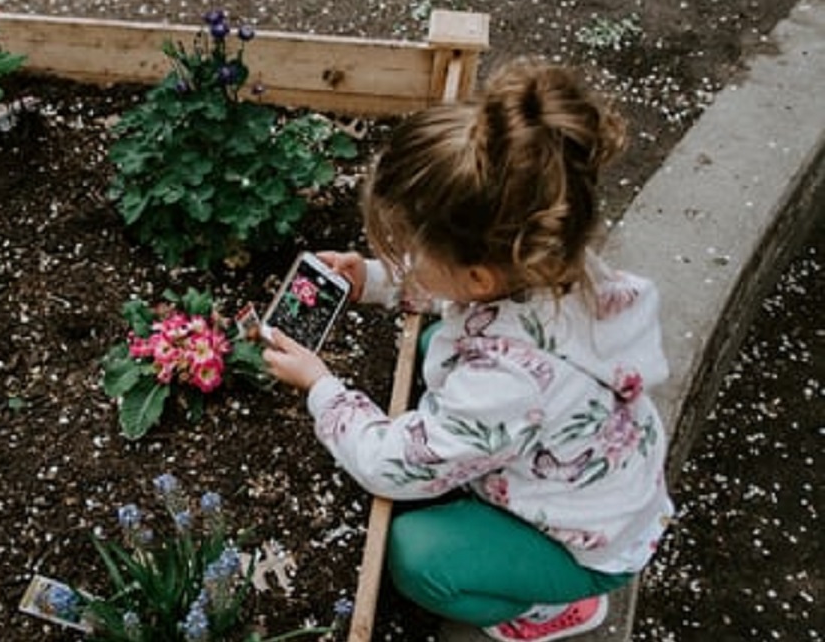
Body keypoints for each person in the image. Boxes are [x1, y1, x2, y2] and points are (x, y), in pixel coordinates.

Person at [262, 59, 675, 642]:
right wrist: (375, 280)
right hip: (590, 474)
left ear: (479, 276)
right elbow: (457, 296)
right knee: (437, 341)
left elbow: (389, 467)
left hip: (583, 543)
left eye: (410, 248)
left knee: (418, 557)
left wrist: (322, 388)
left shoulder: (506, 383)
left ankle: (549, 607)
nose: (403, 255)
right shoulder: (554, 263)